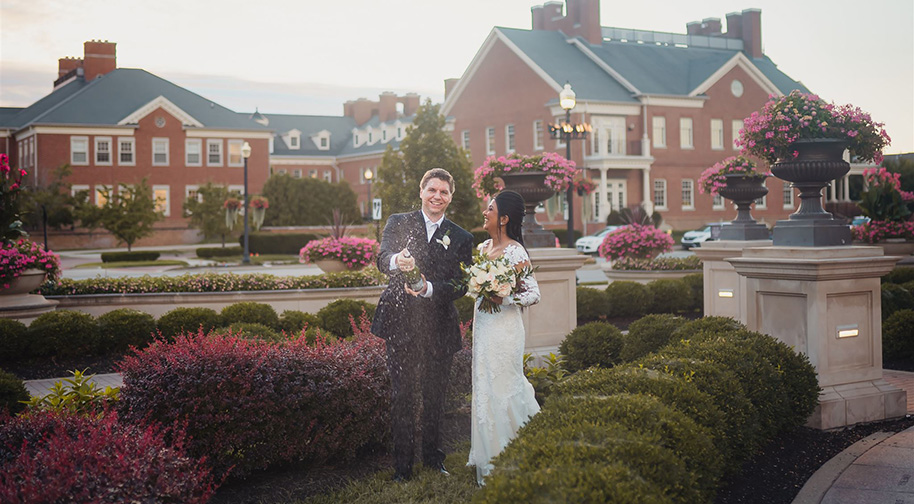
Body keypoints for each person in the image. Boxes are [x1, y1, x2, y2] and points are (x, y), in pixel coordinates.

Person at [371, 168, 474, 482]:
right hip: (400, 323)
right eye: (432, 190)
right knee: (402, 396)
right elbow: (381, 257)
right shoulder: (399, 222)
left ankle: (433, 461)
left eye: (444, 192)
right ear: (421, 191)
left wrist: (430, 289)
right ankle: (402, 468)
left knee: (435, 398)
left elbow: (462, 284)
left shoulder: (461, 237)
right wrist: (396, 261)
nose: (437, 196)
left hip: (439, 327)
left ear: (450, 197)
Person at [467, 190, 541, 486]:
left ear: (504, 218)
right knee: (484, 388)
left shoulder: (516, 253)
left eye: (490, 208)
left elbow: (533, 293)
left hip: (506, 331)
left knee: (505, 386)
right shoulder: (483, 248)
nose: (485, 212)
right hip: (483, 328)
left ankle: (520, 452)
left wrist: (504, 297)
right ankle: (489, 457)